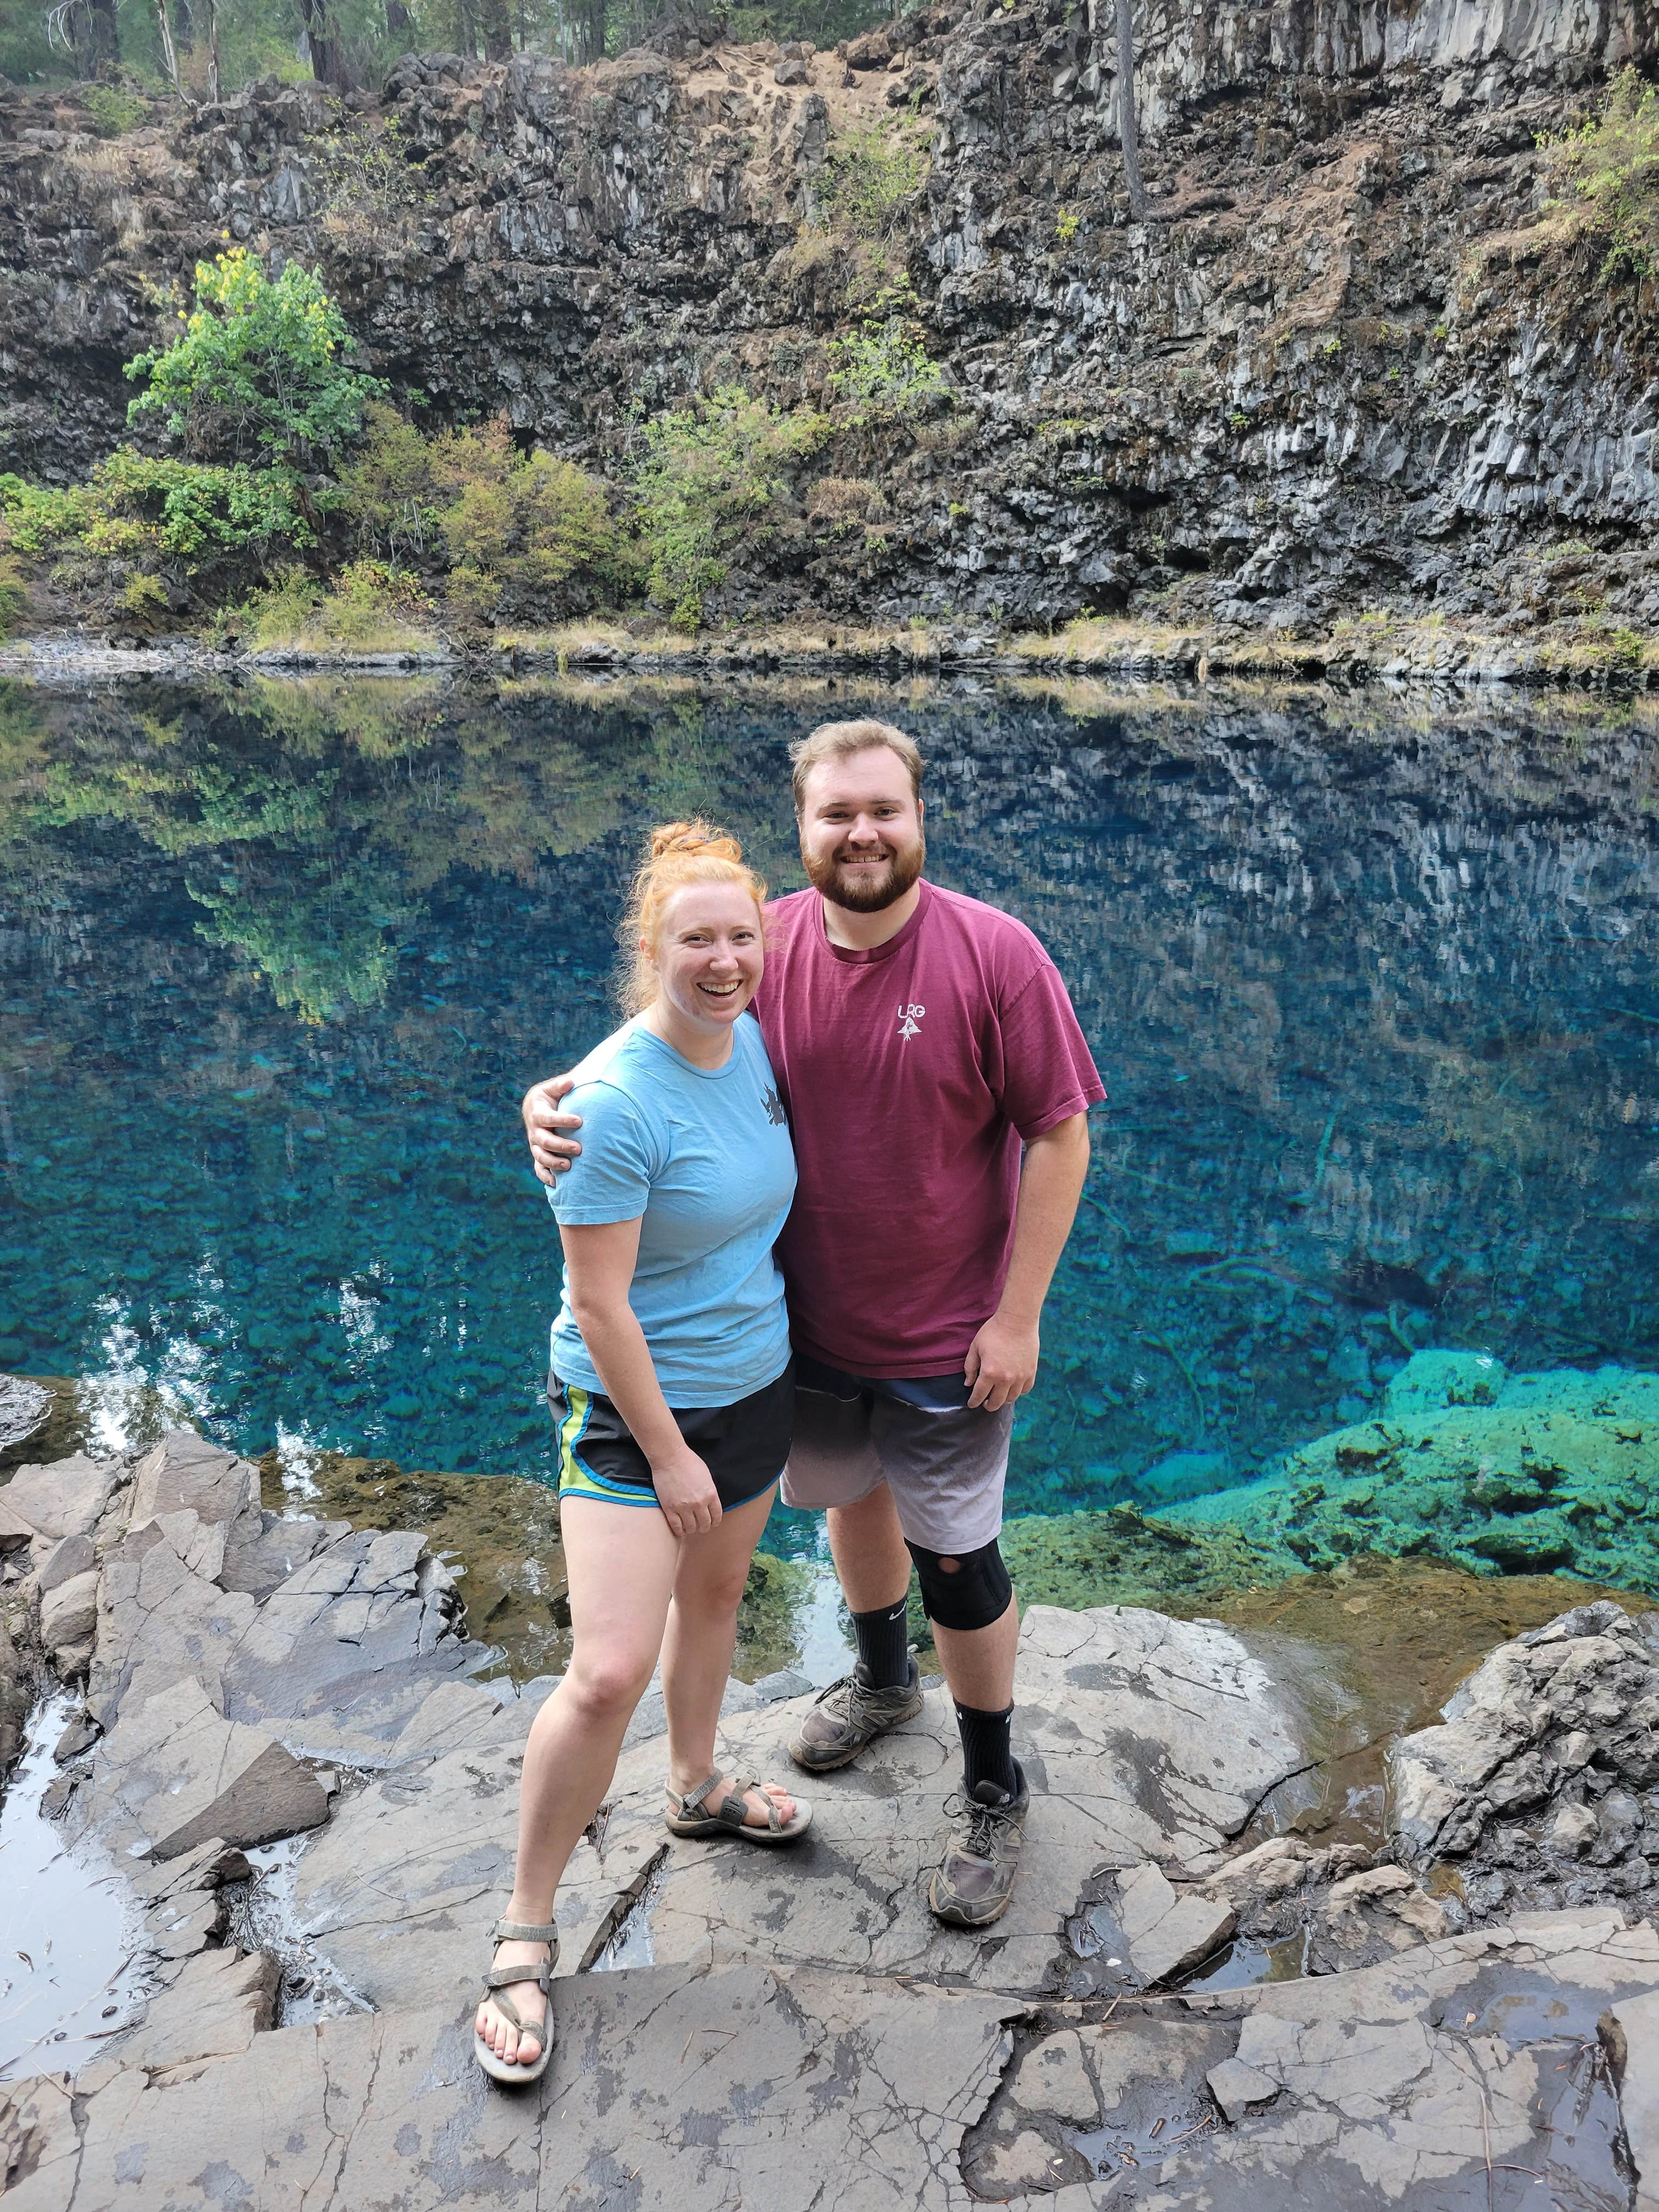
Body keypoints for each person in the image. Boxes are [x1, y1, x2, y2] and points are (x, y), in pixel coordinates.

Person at [523, 720, 1101, 1931]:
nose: (863, 834)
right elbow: (666, 1042)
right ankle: (885, 1681)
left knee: (960, 1557)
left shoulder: (996, 954)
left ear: (920, 817)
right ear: (803, 827)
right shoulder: (764, 944)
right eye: (837, 814)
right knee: (850, 1500)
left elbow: (1059, 1133)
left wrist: (1019, 1316)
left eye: (884, 809)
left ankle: (992, 1784)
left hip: (950, 1339)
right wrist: (552, 1103)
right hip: (801, 1337)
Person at [476, 820, 810, 2089]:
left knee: (716, 1602)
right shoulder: (609, 1106)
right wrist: (669, 1455)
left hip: (755, 1383)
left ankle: (695, 1784)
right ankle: (524, 1931)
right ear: (649, 949)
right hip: (635, 1414)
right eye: (695, 941)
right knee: (609, 1667)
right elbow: (600, 1303)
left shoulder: (754, 1040)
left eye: (741, 938)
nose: (724, 961)